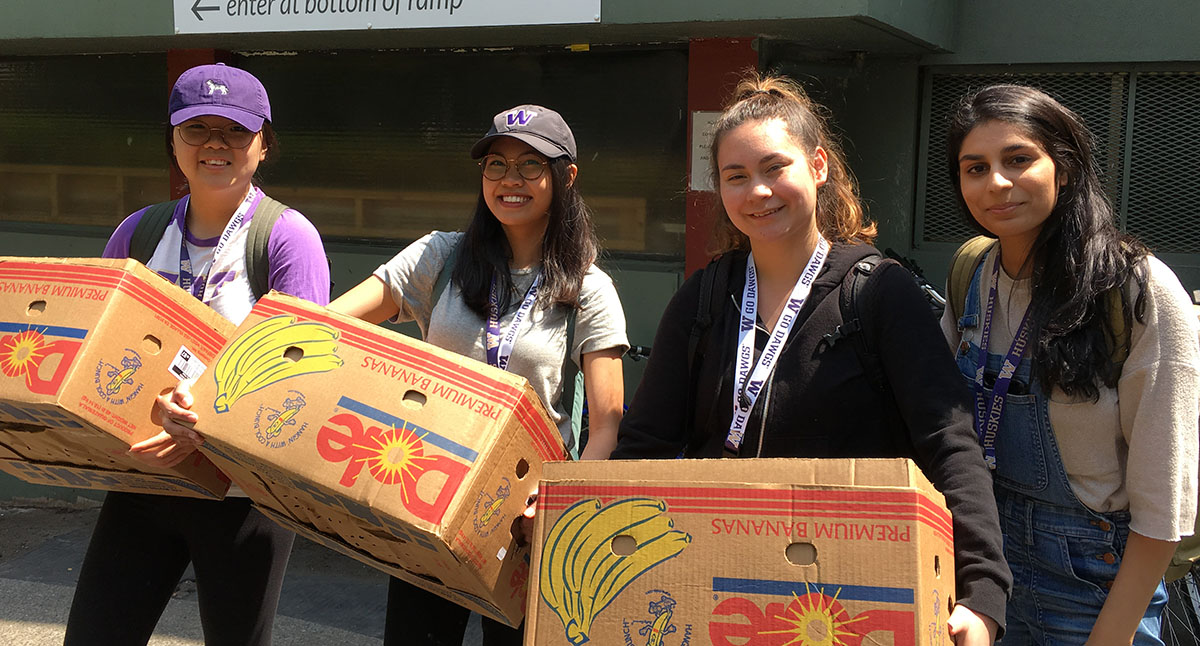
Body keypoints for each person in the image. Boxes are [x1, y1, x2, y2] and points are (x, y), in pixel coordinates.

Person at [613, 73, 1011, 644]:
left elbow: (949, 441)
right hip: (714, 584)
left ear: (818, 167)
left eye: (776, 168)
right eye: (737, 177)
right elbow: (644, 445)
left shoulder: (878, 293)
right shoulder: (703, 298)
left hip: (847, 592)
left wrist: (982, 593)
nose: (758, 191)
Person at [327, 104, 629, 645]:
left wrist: (559, 501)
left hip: (522, 517)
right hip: (425, 494)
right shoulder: (439, 256)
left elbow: (607, 423)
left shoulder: (588, 287)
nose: (510, 181)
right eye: (496, 164)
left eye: (530, 165)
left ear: (566, 178)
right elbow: (332, 324)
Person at [63, 63, 330, 646]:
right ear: (174, 143)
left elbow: (299, 375)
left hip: (241, 492)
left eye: (235, 130)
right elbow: (100, 345)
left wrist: (205, 421)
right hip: (142, 479)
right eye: (197, 129)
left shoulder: (285, 238)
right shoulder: (137, 233)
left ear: (263, 144)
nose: (216, 144)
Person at [942, 84, 1200, 644]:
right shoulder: (973, 274)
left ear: (1064, 167)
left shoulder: (1137, 290)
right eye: (975, 167)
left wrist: (1111, 635)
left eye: (1018, 159)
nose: (997, 183)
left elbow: (1165, 506)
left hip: (1092, 584)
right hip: (982, 573)